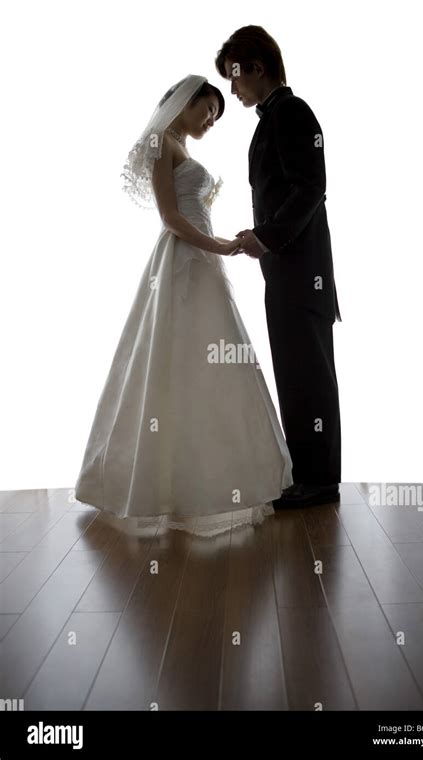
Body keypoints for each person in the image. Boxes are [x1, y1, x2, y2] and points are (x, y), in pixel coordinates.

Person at [74, 74, 293, 536]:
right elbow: (171, 218)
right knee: (169, 363)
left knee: (210, 362)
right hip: (183, 259)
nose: (212, 119)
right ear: (185, 101)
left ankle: (205, 487)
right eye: (208, 109)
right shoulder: (160, 142)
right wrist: (216, 246)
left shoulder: (182, 147)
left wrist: (217, 246)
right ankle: (161, 491)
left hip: (202, 258)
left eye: (216, 113)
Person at [215, 27, 342, 508]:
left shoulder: (293, 113)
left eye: (234, 76)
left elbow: (311, 189)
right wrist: (260, 237)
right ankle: (309, 476)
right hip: (287, 272)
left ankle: (320, 482)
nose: (232, 88)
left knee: (309, 376)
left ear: (256, 66)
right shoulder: (276, 117)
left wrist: (264, 237)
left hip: (301, 272)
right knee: (296, 374)